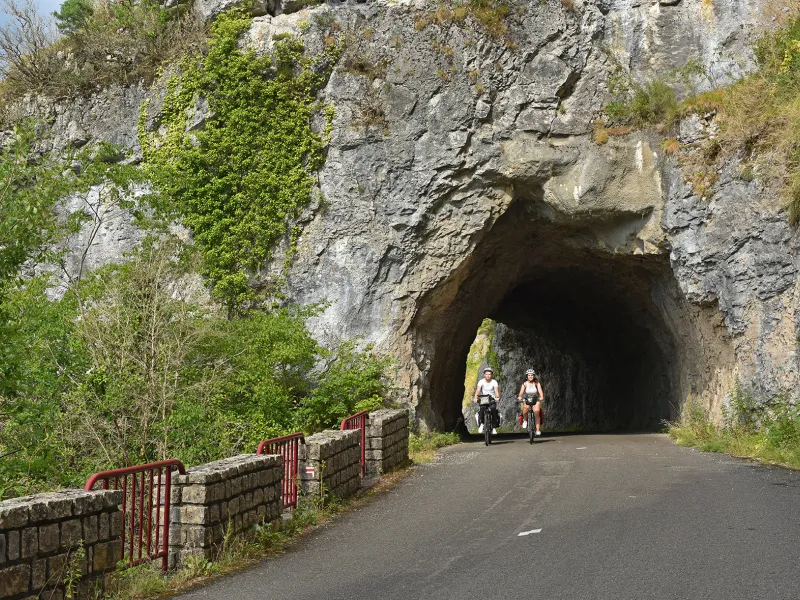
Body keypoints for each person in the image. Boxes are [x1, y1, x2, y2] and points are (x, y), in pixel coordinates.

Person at [517, 368, 544, 436]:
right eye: (529, 375)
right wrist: (520, 396)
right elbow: (521, 392)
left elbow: (540, 391)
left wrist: (541, 397)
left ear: (534, 376)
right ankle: (525, 420)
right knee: (525, 409)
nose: (530, 376)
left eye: (532, 375)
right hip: (527, 398)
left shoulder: (537, 383)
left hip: (535, 399)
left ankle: (537, 430)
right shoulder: (525, 384)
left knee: (537, 412)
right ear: (527, 376)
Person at [474, 367, 499, 435]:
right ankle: (481, 424)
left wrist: (497, 397)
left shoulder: (494, 382)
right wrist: (475, 397)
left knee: (493, 409)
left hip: (492, 398)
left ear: (491, 375)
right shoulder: (481, 381)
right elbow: (478, 390)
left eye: (489, 374)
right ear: (484, 375)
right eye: (486, 374)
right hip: (483, 398)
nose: (488, 375)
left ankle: (494, 427)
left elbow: (496, 391)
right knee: (482, 408)